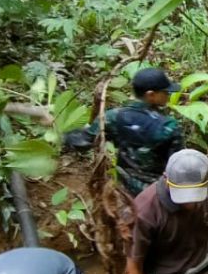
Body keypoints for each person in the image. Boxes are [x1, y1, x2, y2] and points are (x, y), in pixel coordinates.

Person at [63, 67, 185, 197]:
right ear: (151, 95)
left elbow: (83, 141)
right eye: (165, 92)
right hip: (155, 195)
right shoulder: (169, 126)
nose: (168, 95)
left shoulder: (112, 117)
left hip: (124, 194)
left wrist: (59, 134)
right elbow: (179, 168)